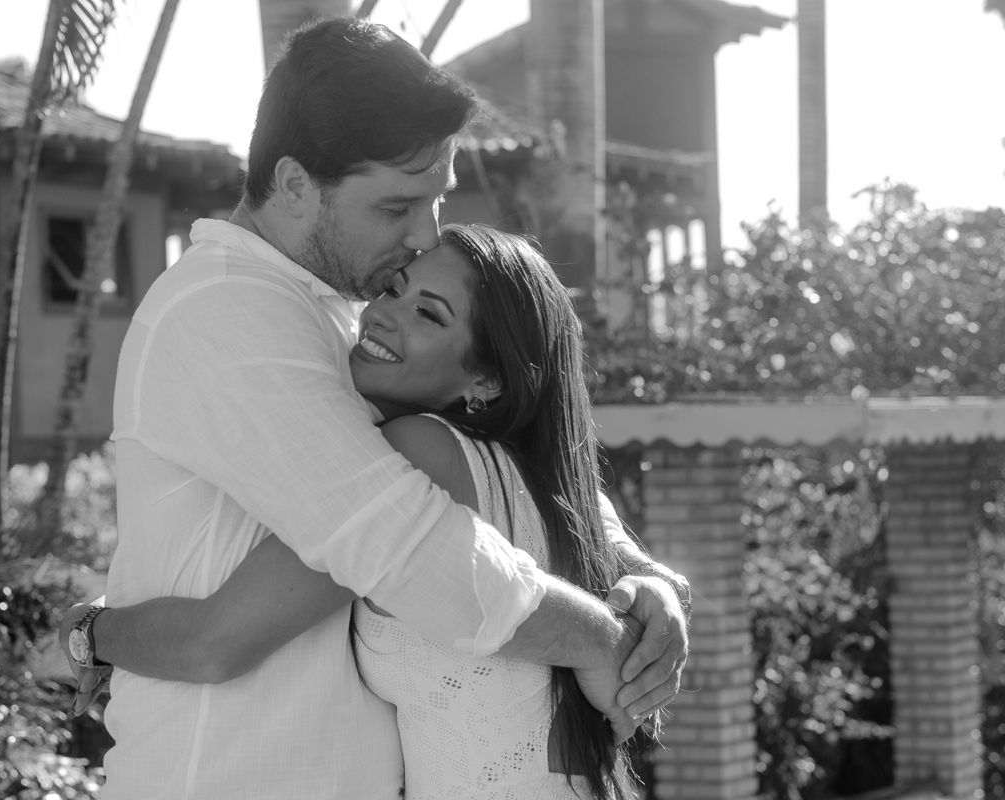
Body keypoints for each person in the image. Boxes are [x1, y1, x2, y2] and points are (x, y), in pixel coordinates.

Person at [61, 16, 689, 800]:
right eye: (397, 208)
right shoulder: (226, 312)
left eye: (437, 200)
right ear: (294, 185)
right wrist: (597, 636)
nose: (425, 237)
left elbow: (513, 460)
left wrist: (639, 572)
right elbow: (405, 543)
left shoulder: (343, 318)